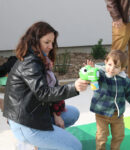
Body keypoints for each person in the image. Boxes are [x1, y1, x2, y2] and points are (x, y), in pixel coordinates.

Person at [3, 21, 89, 150]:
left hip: (34, 113)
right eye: (47, 42)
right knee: (75, 146)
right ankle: (29, 144)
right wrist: (74, 87)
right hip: (25, 123)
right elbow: (43, 93)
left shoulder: (40, 59)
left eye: (52, 42)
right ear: (35, 41)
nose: (51, 46)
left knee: (73, 113)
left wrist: (56, 113)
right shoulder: (30, 63)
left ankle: (43, 140)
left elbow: (50, 90)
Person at [88, 50, 130, 150]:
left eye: (116, 67)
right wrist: (92, 70)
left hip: (117, 114)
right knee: (102, 136)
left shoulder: (124, 80)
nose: (111, 69)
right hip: (102, 113)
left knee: (119, 135)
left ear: (122, 69)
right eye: (109, 64)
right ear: (105, 62)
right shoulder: (100, 75)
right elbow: (93, 80)